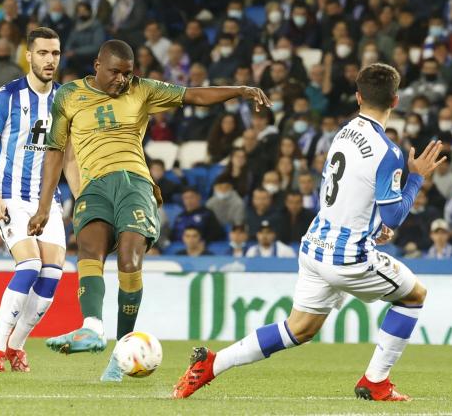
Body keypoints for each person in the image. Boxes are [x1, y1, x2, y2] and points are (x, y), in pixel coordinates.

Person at [173, 63, 446, 401]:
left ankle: (211, 365)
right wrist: (416, 176)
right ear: (396, 99)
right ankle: (376, 381)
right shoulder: (387, 151)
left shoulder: (344, 132)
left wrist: (374, 227)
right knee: (414, 296)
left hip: (315, 245)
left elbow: (350, 192)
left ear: (358, 97)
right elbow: (394, 213)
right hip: (348, 257)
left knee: (298, 329)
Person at [27, 39, 270, 382]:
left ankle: (119, 351)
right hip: (94, 186)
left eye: (127, 74)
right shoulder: (68, 96)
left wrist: (240, 90)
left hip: (136, 184)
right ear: (97, 65)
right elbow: (54, 151)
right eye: (115, 73)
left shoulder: (144, 90)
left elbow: (193, 95)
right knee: (89, 248)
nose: (122, 80)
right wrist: (43, 206)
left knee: (129, 259)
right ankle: (92, 328)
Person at [0, 28, 78, 373]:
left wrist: (81, 200)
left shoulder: (66, 99)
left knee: (52, 273)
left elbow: (72, 158)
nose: (50, 60)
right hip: (11, 197)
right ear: (29, 56)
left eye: (56, 53)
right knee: (30, 265)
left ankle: (16, 346)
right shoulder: (7, 96)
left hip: (48, 200)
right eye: (44, 53)